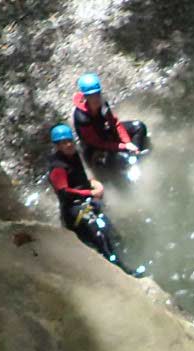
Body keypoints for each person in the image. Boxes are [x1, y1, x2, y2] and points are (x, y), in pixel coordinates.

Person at [45, 124, 146, 275]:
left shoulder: (73, 155)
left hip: (85, 201)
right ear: (57, 146)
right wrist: (90, 193)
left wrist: (92, 183)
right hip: (74, 209)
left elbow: (79, 177)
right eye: (63, 143)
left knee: (112, 233)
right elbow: (64, 192)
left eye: (69, 141)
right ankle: (122, 271)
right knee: (101, 237)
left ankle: (124, 255)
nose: (68, 145)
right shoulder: (58, 168)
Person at [71, 74, 150, 167]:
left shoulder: (102, 103)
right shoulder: (82, 118)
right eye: (91, 96)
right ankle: (128, 159)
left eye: (97, 94)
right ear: (85, 97)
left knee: (139, 127)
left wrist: (127, 142)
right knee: (120, 159)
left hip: (104, 131)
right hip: (94, 145)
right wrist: (123, 146)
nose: (95, 98)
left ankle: (135, 155)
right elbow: (97, 143)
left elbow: (115, 123)